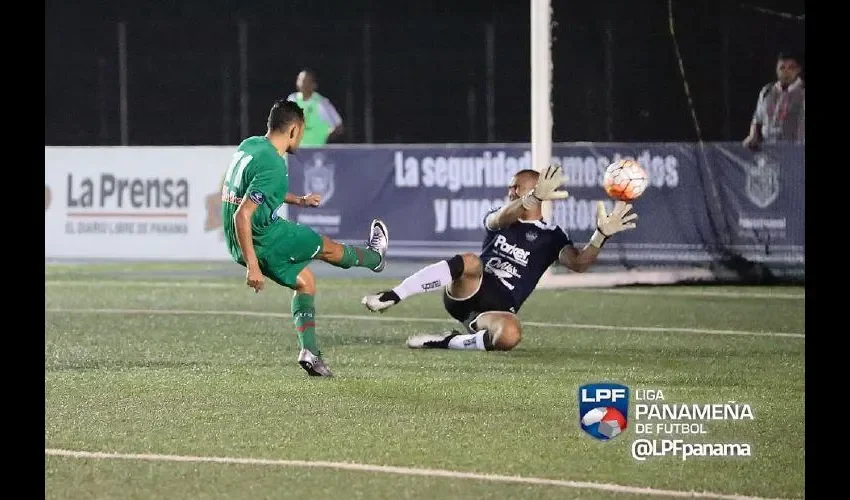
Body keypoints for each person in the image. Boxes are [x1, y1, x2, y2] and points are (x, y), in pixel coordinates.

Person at [360, 164, 637, 351]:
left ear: (533, 189)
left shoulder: (552, 235)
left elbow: (579, 264)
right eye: (512, 188)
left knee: (510, 335)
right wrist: (528, 199)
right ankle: (394, 295)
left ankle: (448, 342)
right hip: (470, 289)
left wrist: (601, 235)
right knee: (471, 261)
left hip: (495, 310)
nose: (511, 191)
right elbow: (503, 216)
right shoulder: (502, 217)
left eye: (516, 187)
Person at [221, 99, 388, 377]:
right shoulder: (273, 164)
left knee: (305, 281)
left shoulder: (250, 145)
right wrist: (253, 265)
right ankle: (375, 257)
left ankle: (309, 352)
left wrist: (299, 200)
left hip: (237, 240)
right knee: (325, 246)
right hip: (262, 237)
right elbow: (243, 214)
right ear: (294, 130)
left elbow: (253, 192)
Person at [743, 51, 805, 149]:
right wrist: (752, 136)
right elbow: (757, 119)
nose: (786, 72)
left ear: (798, 70)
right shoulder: (767, 91)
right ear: (776, 69)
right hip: (768, 151)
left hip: (795, 153)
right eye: (782, 68)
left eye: (791, 68)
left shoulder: (802, 93)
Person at [287, 69, 344, 146]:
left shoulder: (321, 103)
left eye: (307, 81)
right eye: (301, 80)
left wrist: (324, 138)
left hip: (316, 151)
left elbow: (338, 127)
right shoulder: (292, 100)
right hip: (295, 152)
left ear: (314, 84)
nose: (304, 84)